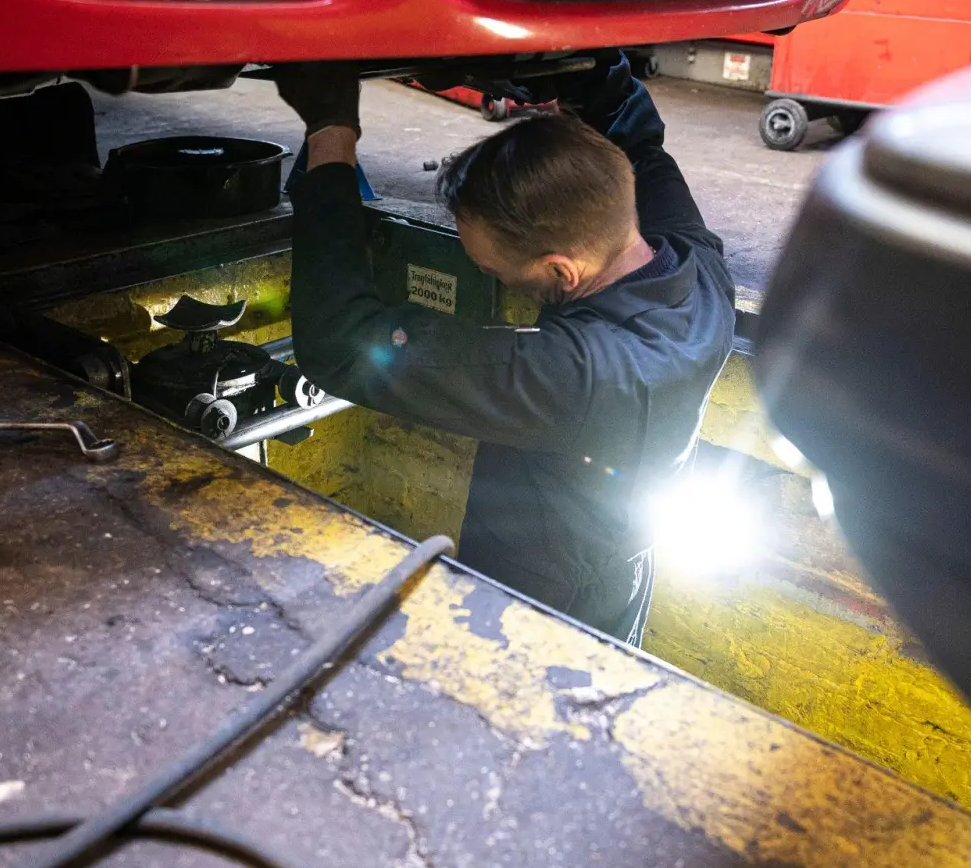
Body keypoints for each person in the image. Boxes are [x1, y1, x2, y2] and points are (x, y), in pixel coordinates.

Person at [273, 56, 734, 645]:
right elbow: (638, 143)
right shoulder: (697, 268)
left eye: (489, 267)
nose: (480, 269)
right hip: (621, 566)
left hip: (544, 611)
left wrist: (330, 135)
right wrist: (588, 68)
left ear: (561, 270)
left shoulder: (577, 376)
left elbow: (341, 341)